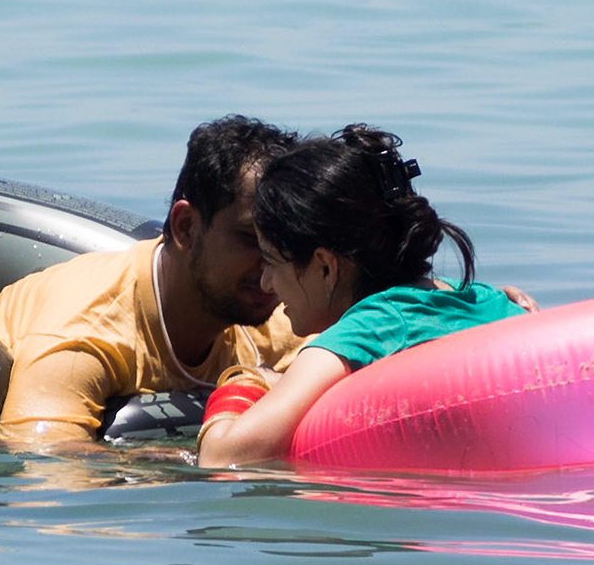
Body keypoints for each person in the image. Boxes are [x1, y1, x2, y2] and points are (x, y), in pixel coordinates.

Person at [195, 125, 526, 468]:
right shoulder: (488, 300)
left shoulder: (366, 331)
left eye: (272, 261)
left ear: (324, 266)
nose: (266, 283)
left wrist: (246, 381)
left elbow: (222, 457)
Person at [0, 116, 308, 444]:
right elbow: (42, 465)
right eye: (250, 239)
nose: (271, 266)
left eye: (282, 244)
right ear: (186, 228)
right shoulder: (86, 330)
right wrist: (166, 471)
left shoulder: (271, 313)